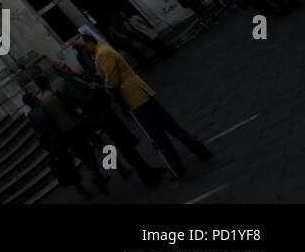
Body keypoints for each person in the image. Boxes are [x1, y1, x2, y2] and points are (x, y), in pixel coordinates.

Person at [74, 33, 210, 178]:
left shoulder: (103, 54)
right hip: (139, 93)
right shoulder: (100, 54)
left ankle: (176, 166)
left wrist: (106, 89)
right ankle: (198, 149)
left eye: (83, 46)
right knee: (170, 126)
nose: (83, 50)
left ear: (90, 42)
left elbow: (112, 81)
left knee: (158, 134)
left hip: (134, 97)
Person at [54, 62, 165, 186]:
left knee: (126, 142)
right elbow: (84, 101)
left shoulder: (76, 76)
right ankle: (145, 173)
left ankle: (146, 170)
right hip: (101, 117)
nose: (68, 67)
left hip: (105, 112)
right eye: (64, 67)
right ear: (60, 73)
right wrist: (93, 89)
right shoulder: (69, 85)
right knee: (123, 143)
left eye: (66, 65)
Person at [35, 76, 110, 192]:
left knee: (82, 153)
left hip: (64, 131)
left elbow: (49, 118)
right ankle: (95, 174)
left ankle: (97, 175)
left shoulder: (41, 101)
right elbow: (68, 106)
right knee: (89, 151)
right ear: (48, 82)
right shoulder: (55, 93)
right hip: (74, 124)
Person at [24, 93, 93, 198]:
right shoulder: (43, 109)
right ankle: (95, 175)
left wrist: (49, 149)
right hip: (63, 135)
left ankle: (81, 189)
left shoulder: (31, 115)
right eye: (35, 98)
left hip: (54, 143)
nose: (37, 98)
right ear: (33, 101)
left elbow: (39, 134)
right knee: (82, 154)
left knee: (69, 166)